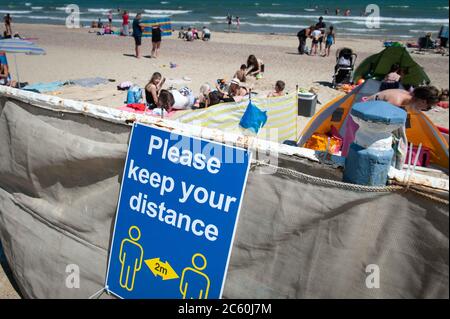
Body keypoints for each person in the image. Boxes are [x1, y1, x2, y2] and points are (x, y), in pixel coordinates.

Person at [365, 86, 440, 112]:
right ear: (423, 102)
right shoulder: (396, 101)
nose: (427, 109)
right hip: (360, 115)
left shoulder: (407, 95)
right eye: (428, 107)